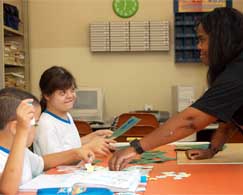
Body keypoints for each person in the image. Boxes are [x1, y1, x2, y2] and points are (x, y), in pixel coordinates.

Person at [109, 7, 243, 171]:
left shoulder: (238, 72)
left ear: (222, 39)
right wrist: (212, 150)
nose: (198, 47)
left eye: (202, 40)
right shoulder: (233, 69)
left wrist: (135, 148)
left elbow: (191, 121)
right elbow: (228, 121)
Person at [0, 88, 94, 195]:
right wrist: (21, 133)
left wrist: (77, 153)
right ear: (15, 128)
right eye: (35, 124)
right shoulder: (14, 151)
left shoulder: (22, 151)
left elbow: (42, 162)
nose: (36, 128)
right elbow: (8, 188)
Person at [33, 66, 114, 157]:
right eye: (62, 93)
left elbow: (69, 146)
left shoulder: (66, 115)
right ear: (47, 95)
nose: (70, 96)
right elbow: (54, 160)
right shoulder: (45, 124)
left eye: (72, 90)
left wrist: (94, 136)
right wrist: (89, 146)